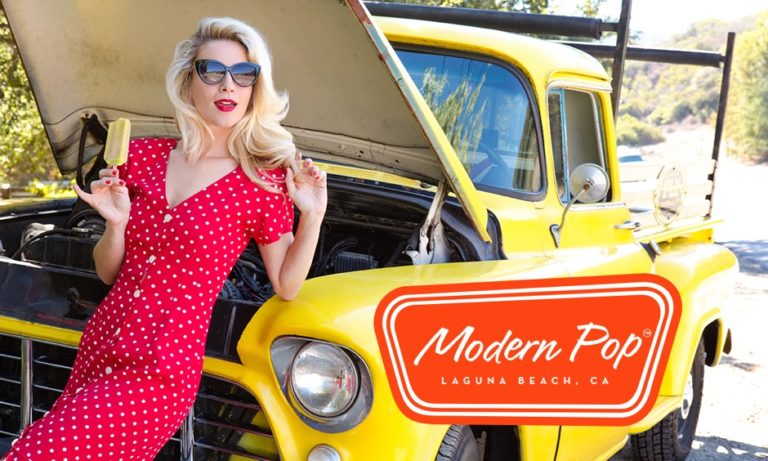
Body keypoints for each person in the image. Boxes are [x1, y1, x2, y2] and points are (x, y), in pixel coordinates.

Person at [2, 16, 326, 460]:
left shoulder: (261, 183)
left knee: (33, 453)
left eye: (243, 74)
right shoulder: (142, 156)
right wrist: (116, 224)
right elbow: (108, 272)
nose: (227, 85)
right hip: (102, 343)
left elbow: (287, 284)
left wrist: (313, 215)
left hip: (160, 368)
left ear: (255, 87)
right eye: (212, 71)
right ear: (188, 81)